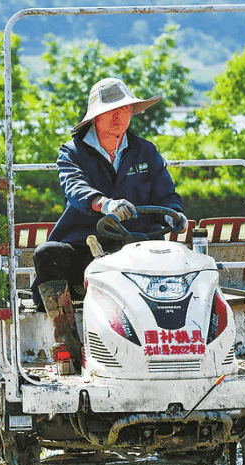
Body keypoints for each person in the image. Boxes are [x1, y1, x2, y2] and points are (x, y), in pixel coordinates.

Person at [32, 77, 186, 374]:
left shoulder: (146, 151)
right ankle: (67, 339)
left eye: (126, 109)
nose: (119, 117)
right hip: (85, 248)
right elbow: (74, 188)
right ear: (95, 117)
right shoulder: (72, 151)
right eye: (111, 111)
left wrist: (172, 214)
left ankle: (169, 348)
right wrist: (104, 204)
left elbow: (169, 195)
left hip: (139, 250)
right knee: (47, 254)